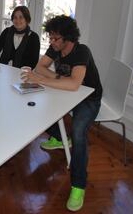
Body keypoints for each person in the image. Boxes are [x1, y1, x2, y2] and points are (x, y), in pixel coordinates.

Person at [21, 15, 102, 212]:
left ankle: (78, 185)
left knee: (78, 130)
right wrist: (58, 77)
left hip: (88, 99)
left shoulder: (82, 51)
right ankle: (60, 139)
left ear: (68, 39)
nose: (51, 42)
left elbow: (74, 84)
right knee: (37, 110)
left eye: (56, 38)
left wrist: (42, 79)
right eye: (50, 37)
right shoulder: (55, 47)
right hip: (63, 89)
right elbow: (40, 67)